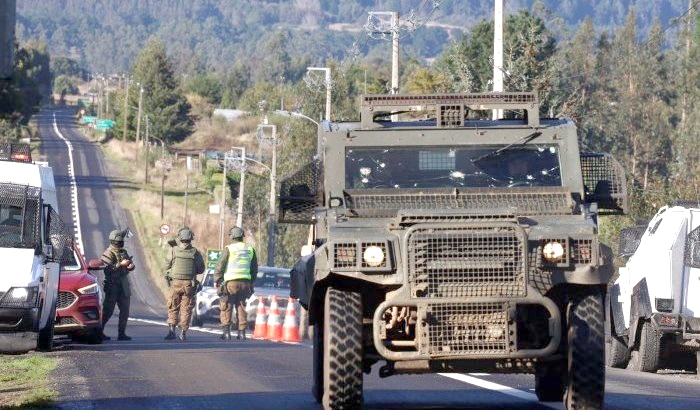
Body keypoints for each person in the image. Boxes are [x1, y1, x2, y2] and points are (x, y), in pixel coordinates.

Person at [214, 226, 257, 341]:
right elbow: (254, 268)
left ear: (232, 236)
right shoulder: (250, 249)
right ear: (242, 236)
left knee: (226, 306)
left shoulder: (229, 249)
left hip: (230, 283)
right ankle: (242, 333)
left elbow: (220, 265)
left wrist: (217, 280)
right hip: (245, 283)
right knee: (241, 306)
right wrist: (251, 282)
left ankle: (226, 333)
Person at [163, 227, 205, 341]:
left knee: (173, 306)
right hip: (189, 285)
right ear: (191, 238)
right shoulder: (195, 252)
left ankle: (171, 332)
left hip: (175, 283)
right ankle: (183, 333)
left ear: (180, 237)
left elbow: (166, 266)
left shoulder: (173, 250)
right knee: (186, 309)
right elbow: (201, 269)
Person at [100, 229, 135, 341]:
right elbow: (109, 269)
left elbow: (129, 265)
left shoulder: (123, 252)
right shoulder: (107, 253)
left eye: (121, 241)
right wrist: (121, 264)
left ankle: (122, 333)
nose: (120, 243)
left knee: (125, 311)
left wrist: (130, 266)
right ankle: (99, 331)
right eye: (118, 241)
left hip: (123, 285)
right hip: (112, 285)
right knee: (108, 311)